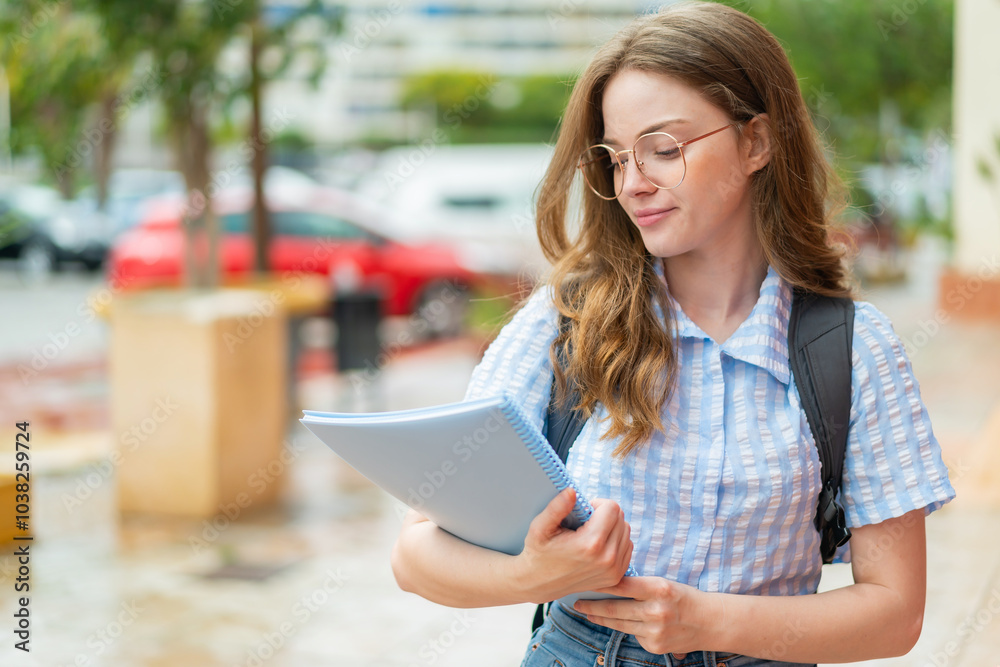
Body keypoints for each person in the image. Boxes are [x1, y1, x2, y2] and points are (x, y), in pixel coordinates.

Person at [390, 3, 956, 666]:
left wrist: (705, 620)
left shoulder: (854, 349)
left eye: (663, 149)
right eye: (616, 159)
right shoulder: (565, 323)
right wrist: (531, 574)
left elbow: (895, 612)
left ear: (757, 142)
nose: (633, 184)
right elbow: (416, 553)